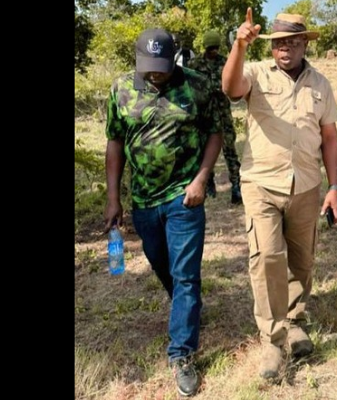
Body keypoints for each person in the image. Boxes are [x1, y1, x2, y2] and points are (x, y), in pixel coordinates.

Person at [221, 9, 337, 380]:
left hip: (305, 184)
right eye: (278, 43)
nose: (284, 49)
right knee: (267, 259)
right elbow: (230, 88)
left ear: (305, 43)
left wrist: (335, 186)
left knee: (302, 260)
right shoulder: (256, 72)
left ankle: (295, 320)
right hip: (261, 183)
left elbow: (330, 138)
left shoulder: (320, 84)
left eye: (292, 42)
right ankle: (272, 340)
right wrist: (239, 45)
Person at [103, 28, 222, 397]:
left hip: (185, 198)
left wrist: (201, 179)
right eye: (148, 65)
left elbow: (215, 132)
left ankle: (182, 353)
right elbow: (115, 143)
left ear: (175, 59)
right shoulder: (122, 88)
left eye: (162, 65)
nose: (155, 72)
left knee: (186, 275)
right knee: (162, 264)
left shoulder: (198, 85)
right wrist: (113, 198)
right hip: (143, 201)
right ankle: (187, 309)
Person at [189, 30, 242, 204]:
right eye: (210, 48)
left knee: (230, 150)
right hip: (204, 114)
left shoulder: (225, 63)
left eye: (216, 48)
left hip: (222, 113)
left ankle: (236, 185)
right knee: (204, 149)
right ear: (205, 47)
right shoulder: (194, 64)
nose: (213, 51)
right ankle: (208, 183)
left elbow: (231, 84)